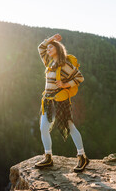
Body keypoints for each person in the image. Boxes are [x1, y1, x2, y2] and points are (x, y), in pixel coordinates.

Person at [34, 33, 90, 172]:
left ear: (58, 49)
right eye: (49, 48)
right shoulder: (48, 62)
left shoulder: (65, 64)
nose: (48, 50)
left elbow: (80, 77)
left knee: (70, 127)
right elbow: (40, 47)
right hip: (47, 101)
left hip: (60, 101)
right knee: (43, 128)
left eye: (51, 47)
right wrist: (51, 38)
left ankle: (82, 156)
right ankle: (48, 157)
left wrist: (65, 85)